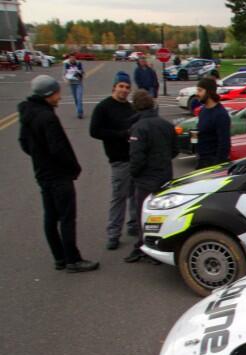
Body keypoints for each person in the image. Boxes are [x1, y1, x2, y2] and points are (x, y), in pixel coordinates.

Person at [18, 75, 98, 273]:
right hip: (58, 175)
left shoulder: (28, 114)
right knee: (67, 218)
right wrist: (73, 168)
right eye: (56, 93)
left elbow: (24, 143)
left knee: (51, 217)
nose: (59, 97)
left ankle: (59, 257)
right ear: (48, 94)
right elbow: (59, 148)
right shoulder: (47, 117)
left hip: (42, 173)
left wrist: (39, 157)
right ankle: (73, 260)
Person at [125, 90, 178, 263]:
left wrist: (134, 173)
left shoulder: (139, 128)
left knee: (143, 215)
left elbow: (137, 157)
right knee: (161, 214)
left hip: (146, 179)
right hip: (165, 175)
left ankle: (144, 247)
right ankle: (160, 245)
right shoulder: (166, 125)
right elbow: (174, 151)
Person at [90, 71, 139, 250]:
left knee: (135, 195)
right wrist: (119, 135)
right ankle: (113, 233)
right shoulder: (104, 107)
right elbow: (94, 131)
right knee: (119, 197)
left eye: (127, 87)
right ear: (114, 87)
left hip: (134, 157)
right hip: (118, 159)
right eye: (121, 86)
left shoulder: (130, 107)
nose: (124, 90)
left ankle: (134, 225)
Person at [195, 77, 231, 169]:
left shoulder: (220, 114)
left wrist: (217, 167)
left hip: (212, 165)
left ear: (209, 92)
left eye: (200, 90)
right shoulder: (203, 110)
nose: (197, 94)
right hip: (202, 161)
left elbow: (224, 144)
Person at [63, 53, 85, 118]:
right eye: (71, 58)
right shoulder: (66, 64)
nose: (72, 59)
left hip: (78, 83)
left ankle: (79, 112)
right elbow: (64, 74)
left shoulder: (78, 63)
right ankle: (79, 110)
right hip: (72, 84)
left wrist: (80, 74)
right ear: (69, 58)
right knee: (75, 99)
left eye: (74, 58)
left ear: (75, 58)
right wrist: (66, 80)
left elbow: (82, 72)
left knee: (79, 98)